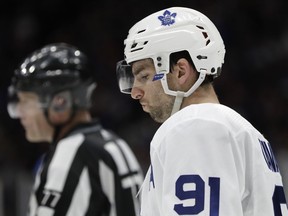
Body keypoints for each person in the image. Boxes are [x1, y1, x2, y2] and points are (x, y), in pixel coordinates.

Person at [116, 6, 288, 216]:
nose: (135, 92)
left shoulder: (194, 126)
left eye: (143, 76)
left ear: (180, 71)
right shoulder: (237, 129)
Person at [8, 43, 143, 216]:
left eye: (26, 101)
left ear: (60, 102)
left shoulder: (69, 156)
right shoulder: (113, 143)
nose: (20, 113)